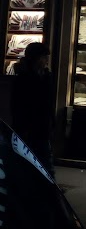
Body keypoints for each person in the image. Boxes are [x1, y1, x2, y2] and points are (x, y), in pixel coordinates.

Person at [11, 41, 55, 176]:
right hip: (32, 125)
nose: (46, 60)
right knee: (43, 157)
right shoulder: (35, 78)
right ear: (38, 59)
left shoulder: (26, 76)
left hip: (35, 125)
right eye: (44, 57)